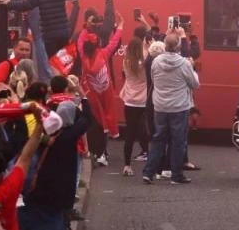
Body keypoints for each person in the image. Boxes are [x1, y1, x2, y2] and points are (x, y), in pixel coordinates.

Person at [19, 100, 91, 230]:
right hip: (60, 191)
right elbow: (87, 119)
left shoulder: (47, 133)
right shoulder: (69, 135)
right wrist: (82, 100)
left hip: (39, 186)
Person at [142, 33, 200, 185]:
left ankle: (149, 172)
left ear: (165, 45)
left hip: (160, 106)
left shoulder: (156, 62)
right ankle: (176, 175)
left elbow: (153, 80)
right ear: (178, 46)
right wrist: (192, 67)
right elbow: (195, 84)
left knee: (158, 139)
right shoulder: (184, 64)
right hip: (179, 107)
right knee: (178, 142)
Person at [1, 0, 84, 58]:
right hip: (63, 34)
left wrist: (9, 3)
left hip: (49, 35)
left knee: (52, 61)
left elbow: (25, 5)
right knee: (62, 61)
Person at [79, 14, 124, 167]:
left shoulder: (83, 57)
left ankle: (95, 152)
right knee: (105, 124)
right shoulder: (104, 54)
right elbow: (114, 42)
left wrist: (86, 27)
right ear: (97, 44)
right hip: (106, 95)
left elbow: (80, 41)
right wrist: (120, 26)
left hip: (91, 97)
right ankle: (102, 154)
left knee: (94, 126)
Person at [120, 37, 149, 176]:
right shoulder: (144, 64)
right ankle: (150, 161)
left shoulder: (126, 62)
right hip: (143, 101)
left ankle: (127, 166)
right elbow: (148, 55)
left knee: (129, 134)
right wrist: (147, 45)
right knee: (144, 130)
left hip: (129, 101)